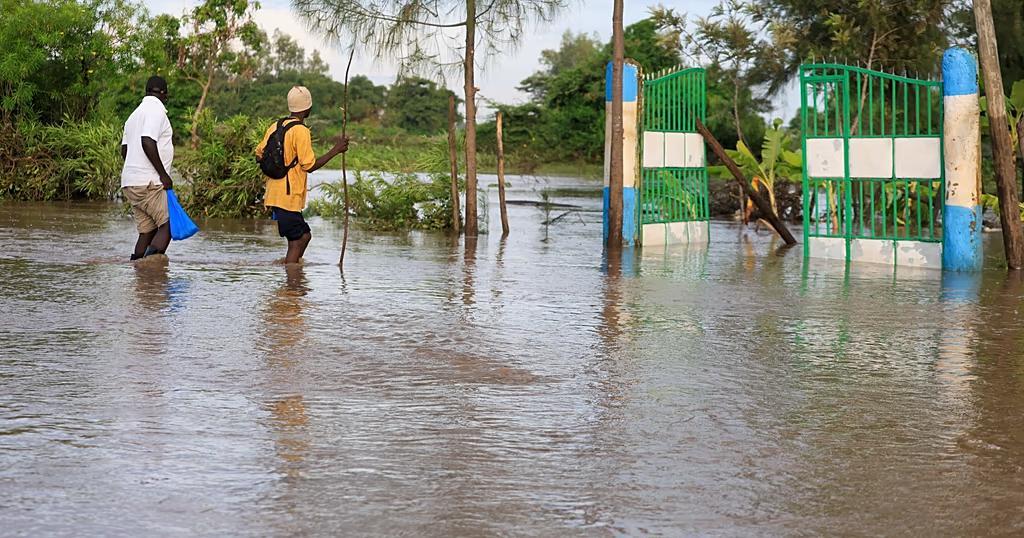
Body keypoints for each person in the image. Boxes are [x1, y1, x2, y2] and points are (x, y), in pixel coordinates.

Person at [255, 86, 349, 264]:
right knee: (297, 241)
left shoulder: (276, 125)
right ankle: (292, 285)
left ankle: (292, 272)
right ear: (307, 108)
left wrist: (278, 167)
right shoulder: (301, 131)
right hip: (288, 196)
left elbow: (258, 153)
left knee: (304, 236)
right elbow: (310, 165)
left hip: (275, 193)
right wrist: (335, 150)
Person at [121, 75, 174, 261]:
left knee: (147, 231)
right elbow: (147, 141)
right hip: (149, 183)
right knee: (169, 225)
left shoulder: (133, 116)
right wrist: (163, 175)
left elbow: (125, 150)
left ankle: (137, 272)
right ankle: (150, 271)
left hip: (131, 183)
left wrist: (136, 171)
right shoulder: (155, 112)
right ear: (164, 94)